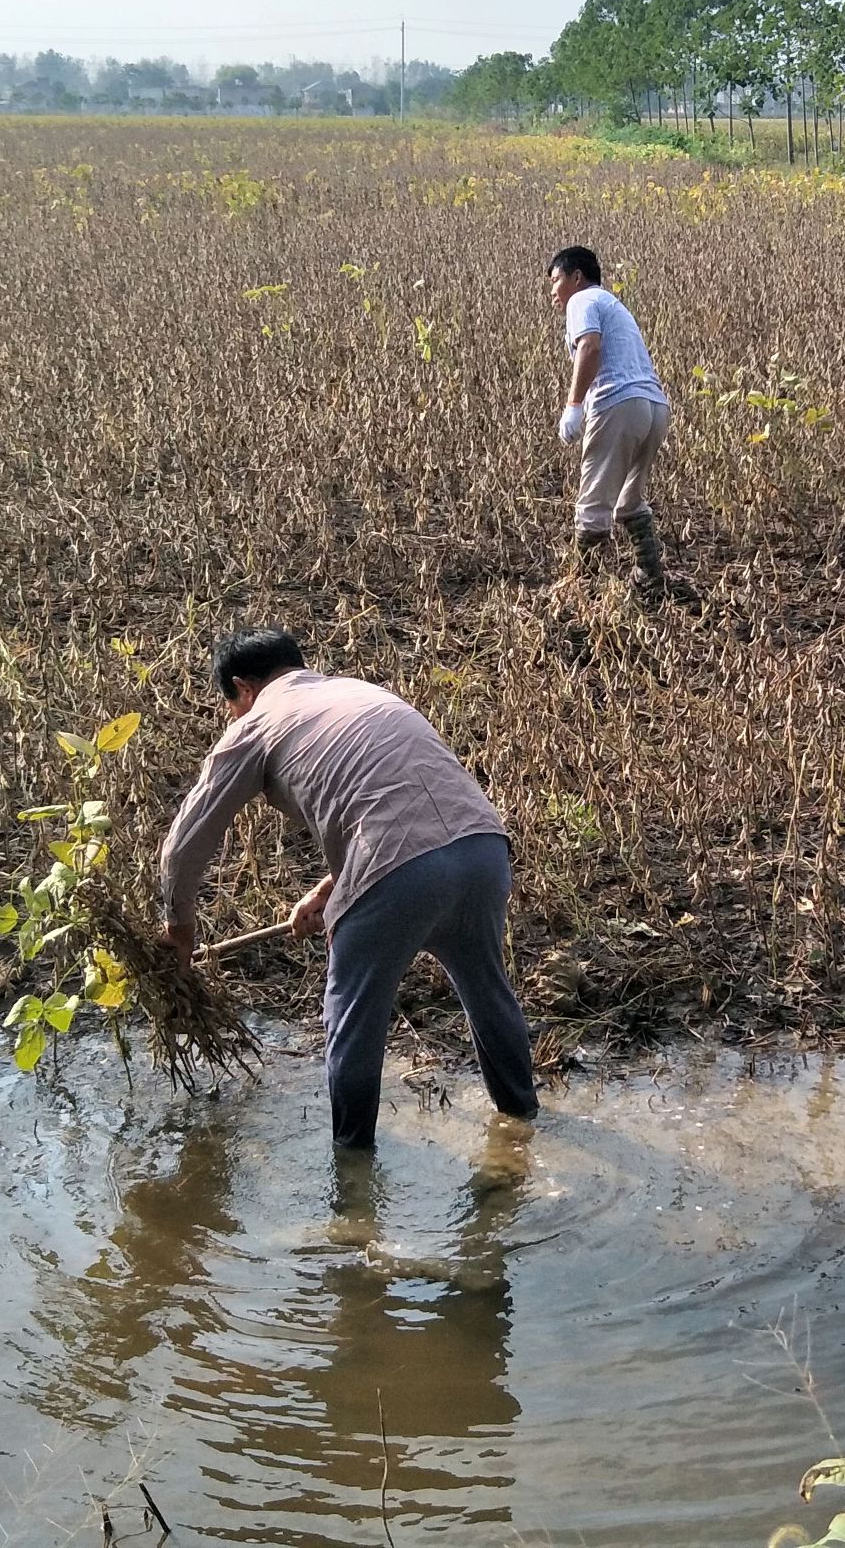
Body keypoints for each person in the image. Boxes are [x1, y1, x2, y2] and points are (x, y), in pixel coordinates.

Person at [158, 628, 540, 1151]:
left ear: (243, 689)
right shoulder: (362, 693)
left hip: (398, 869)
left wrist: (178, 929)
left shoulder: (256, 725)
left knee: (353, 1020)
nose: (231, 717)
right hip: (482, 850)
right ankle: (522, 1125)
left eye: (229, 705)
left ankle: (353, 1178)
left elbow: (183, 846)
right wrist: (329, 891)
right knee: (487, 991)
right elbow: (400, 800)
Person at [546, 244, 676, 600]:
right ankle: (649, 580)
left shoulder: (582, 301)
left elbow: (589, 346)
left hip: (619, 404)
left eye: (556, 280)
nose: (552, 292)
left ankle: (583, 593)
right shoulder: (614, 305)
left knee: (592, 505)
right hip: (653, 407)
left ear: (576, 277)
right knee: (628, 500)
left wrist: (574, 405)